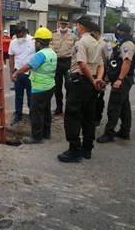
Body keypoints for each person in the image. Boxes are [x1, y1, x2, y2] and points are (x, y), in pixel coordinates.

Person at [58, 17, 104, 162]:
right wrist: (97, 80)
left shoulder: (81, 42)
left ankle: (74, 150)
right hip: (92, 83)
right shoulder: (97, 42)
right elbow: (101, 65)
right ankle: (87, 149)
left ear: (82, 27)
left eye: (77, 25)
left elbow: (82, 65)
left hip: (80, 83)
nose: (76, 28)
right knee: (89, 117)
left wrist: (92, 80)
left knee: (72, 116)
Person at [12, 28, 57, 144]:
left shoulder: (41, 54)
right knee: (46, 111)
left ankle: (36, 137)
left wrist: (16, 73)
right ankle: (46, 133)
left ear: (39, 42)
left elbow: (28, 66)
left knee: (36, 112)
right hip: (50, 86)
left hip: (39, 87)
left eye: (36, 41)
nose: (35, 44)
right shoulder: (52, 52)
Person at [97, 23, 135, 143]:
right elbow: (115, 63)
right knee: (124, 107)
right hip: (120, 80)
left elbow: (126, 62)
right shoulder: (122, 43)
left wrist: (119, 79)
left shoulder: (128, 44)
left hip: (122, 81)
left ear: (122, 32)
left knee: (113, 107)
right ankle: (125, 131)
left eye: (117, 30)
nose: (116, 32)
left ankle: (109, 134)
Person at [8, 25, 35, 125]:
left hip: (31, 73)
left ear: (24, 33)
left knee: (31, 96)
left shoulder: (33, 41)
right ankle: (18, 115)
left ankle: (32, 116)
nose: (19, 38)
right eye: (17, 35)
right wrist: (11, 73)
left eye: (20, 35)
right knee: (18, 96)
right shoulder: (13, 42)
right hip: (18, 72)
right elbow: (11, 57)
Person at [51, 15, 76, 115]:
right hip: (57, 62)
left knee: (69, 86)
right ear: (58, 23)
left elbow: (76, 49)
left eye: (65, 24)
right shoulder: (53, 34)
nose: (63, 25)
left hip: (68, 62)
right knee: (57, 87)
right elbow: (50, 46)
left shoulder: (73, 35)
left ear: (68, 24)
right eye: (61, 23)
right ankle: (59, 108)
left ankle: (69, 108)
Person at [91, 24, 112, 127]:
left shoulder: (105, 44)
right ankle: (91, 116)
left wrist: (107, 76)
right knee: (92, 96)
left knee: (99, 97)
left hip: (102, 73)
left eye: (92, 33)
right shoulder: (91, 42)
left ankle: (97, 118)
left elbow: (109, 59)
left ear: (97, 33)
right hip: (92, 72)